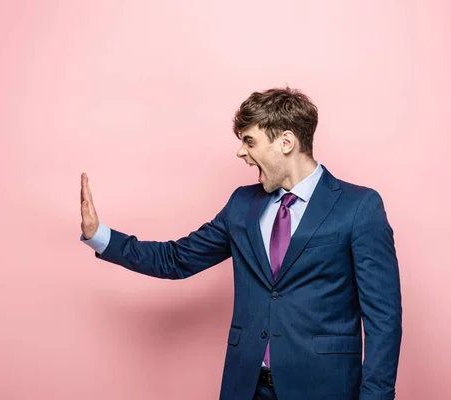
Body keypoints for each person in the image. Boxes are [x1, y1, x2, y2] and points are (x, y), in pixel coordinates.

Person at [80, 87, 402, 400]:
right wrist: (100, 235)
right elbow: (176, 258)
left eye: (250, 141)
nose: (241, 152)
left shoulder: (359, 207)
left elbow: (384, 320)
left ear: (286, 141)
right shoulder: (242, 205)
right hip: (246, 387)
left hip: (323, 388)